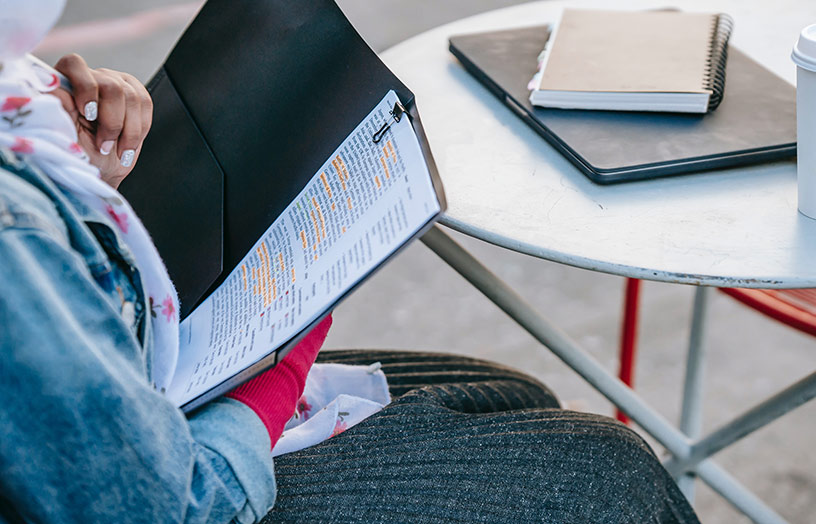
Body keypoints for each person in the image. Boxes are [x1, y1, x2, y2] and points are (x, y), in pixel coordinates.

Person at [0, 2, 701, 523]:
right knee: (609, 473)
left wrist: (87, 186)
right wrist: (285, 346)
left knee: (511, 393)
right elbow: (174, 508)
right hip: (176, 482)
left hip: (129, 390)